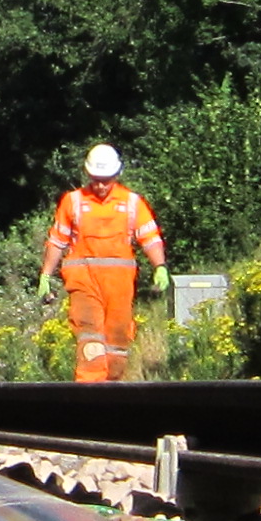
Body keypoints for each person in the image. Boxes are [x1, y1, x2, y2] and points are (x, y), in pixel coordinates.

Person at [39, 143, 170, 383]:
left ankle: (113, 390)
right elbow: (57, 241)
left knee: (118, 340)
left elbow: (149, 237)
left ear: (116, 175)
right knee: (90, 337)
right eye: (96, 179)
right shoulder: (74, 201)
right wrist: (46, 275)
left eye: (106, 180)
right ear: (88, 175)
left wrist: (159, 266)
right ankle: (89, 392)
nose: (100, 186)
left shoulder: (132, 203)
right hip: (84, 281)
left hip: (119, 286)